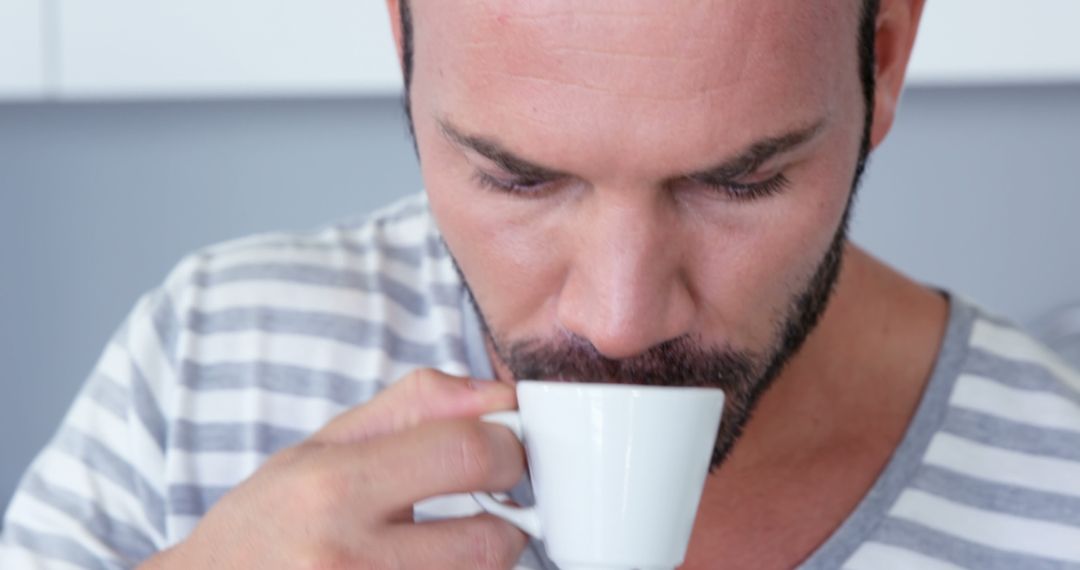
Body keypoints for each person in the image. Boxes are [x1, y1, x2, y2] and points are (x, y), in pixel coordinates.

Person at [3, 0, 1080, 568]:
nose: (616, 324)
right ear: (402, 45)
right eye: (519, 177)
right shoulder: (204, 362)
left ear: (884, 59)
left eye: (740, 182)